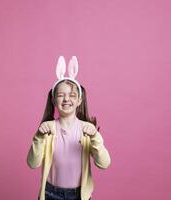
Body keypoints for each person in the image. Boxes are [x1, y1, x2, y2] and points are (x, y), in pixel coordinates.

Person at [27, 56, 111, 200]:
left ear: (79, 100)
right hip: (51, 194)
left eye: (72, 95)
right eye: (61, 95)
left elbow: (104, 164)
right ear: (54, 100)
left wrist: (95, 138)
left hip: (80, 195)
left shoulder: (87, 130)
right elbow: (32, 163)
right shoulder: (47, 130)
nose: (66, 99)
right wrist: (38, 137)